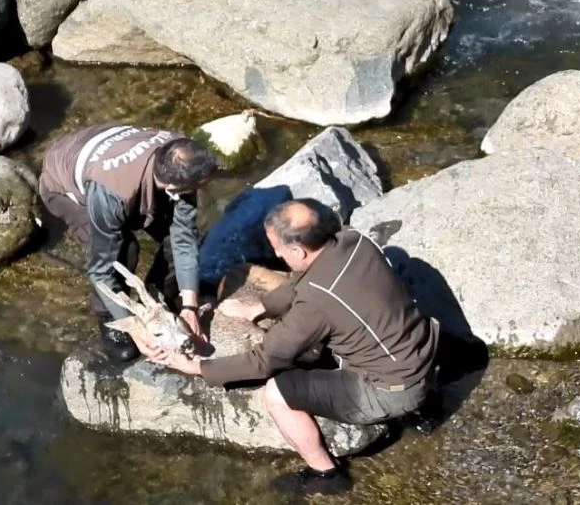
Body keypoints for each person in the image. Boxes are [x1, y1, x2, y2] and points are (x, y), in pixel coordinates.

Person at [148, 198, 439, 495]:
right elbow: (304, 280)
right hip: (425, 353)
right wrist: (261, 307)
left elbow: (265, 360)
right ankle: (425, 409)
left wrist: (197, 367)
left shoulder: (314, 304)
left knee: (278, 393)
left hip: (392, 390)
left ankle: (325, 474)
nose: (274, 252)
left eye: (276, 247)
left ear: (298, 250)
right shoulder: (353, 241)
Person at [38, 123, 218, 362]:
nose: (205, 187)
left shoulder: (183, 157)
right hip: (65, 185)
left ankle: (159, 297)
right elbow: (101, 271)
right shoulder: (111, 191)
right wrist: (135, 328)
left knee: (176, 240)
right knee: (123, 251)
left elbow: (183, 239)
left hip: (107, 146)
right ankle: (109, 316)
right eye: (201, 185)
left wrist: (190, 306)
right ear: (174, 188)